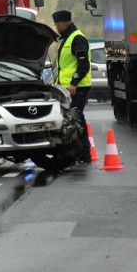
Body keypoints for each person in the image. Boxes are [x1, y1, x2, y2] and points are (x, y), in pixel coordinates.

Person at [52, 9, 93, 163]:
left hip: (76, 88)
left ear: (62, 23)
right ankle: (76, 152)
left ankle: (84, 152)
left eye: (56, 24)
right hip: (66, 88)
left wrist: (73, 84)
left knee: (76, 119)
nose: (56, 27)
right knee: (71, 121)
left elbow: (83, 65)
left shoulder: (77, 38)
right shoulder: (67, 38)